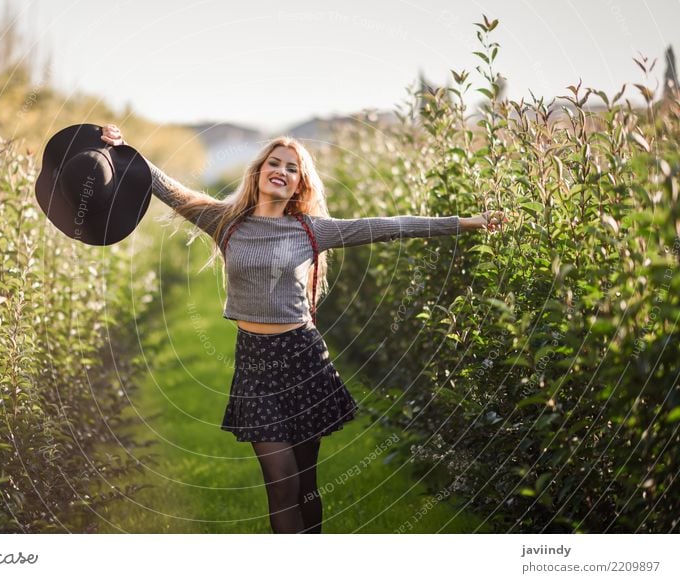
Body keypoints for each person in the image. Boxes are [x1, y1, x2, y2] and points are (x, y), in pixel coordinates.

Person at [101, 123, 507, 533]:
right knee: (281, 482)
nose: (281, 170)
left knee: (305, 485)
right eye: (273, 163)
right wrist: (123, 148)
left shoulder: (313, 230)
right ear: (258, 172)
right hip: (255, 366)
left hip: (304, 359)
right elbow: (167, 188)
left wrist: (469, 222)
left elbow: (390, 225)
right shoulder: (226, 222)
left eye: (291, 168)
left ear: (300, 183)